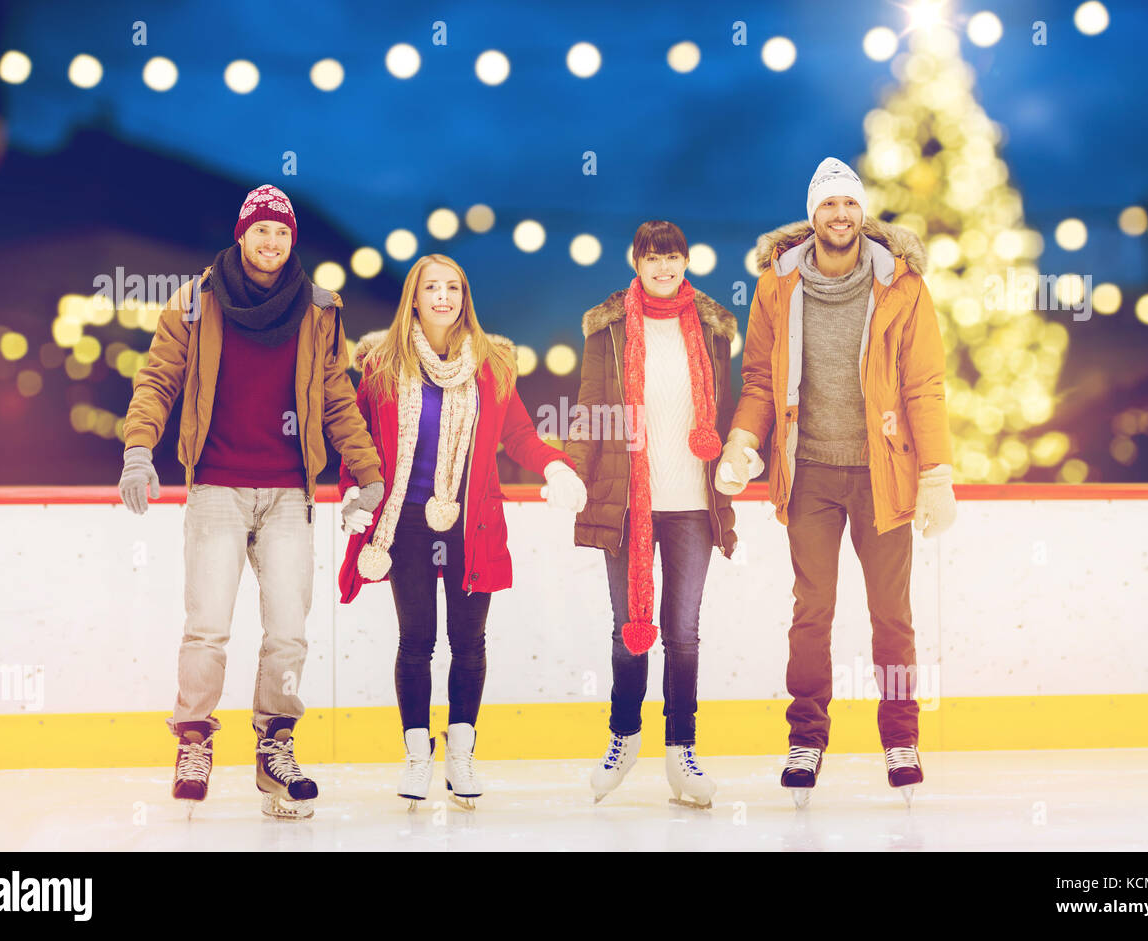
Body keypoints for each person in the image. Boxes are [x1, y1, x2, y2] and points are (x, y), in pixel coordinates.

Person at [119, 184, 386, 818]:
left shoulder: (319, 308)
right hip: (217, 485)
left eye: (283, 232)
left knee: (288, 632)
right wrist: (138, 447)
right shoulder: (195, 302)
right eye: (261, 230)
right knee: (208, 626)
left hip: (291, 490)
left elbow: (337, 396)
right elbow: (159, 378)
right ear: (242, 235)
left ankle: (276, 746)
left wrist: (367, 471)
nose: (272, 242)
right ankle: (194, 741)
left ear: (293, 240)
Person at [718, 158, 957, 807]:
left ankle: (901, 736)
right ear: (814, 215)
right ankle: (806, 738)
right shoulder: (778, 285)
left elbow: (923, 385)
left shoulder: (901, 286)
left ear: (862, 214)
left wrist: (935, 471)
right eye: (830, 206)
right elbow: (761, 381)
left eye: (850, 205)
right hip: (811, 473)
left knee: (892, 616)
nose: (841, 216)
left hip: (883, 472)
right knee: (812, 610)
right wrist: (743, 439)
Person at [336, 253, 586, 810]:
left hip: (472, 524)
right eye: (432, 288)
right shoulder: (382, 366)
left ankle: (462, 751)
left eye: (453, 287)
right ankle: (417, 754)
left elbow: (519, 433)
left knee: (469, 643)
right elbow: (357, 441)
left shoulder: (491, 365)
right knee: (416, 641)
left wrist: (554, 465)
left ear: (464, 297)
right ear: (415, 298)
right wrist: (352, 494)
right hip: (405, 526)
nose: (443, 297)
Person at [568, 221, 741, 809]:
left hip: (693, 504)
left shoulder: (715, 330)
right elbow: (591, 409)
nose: (663, 268)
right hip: (626, 503)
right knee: (628, 628)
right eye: (652, 258)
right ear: (636, 263)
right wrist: (571, 471)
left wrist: (743, 456)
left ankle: (682, 751)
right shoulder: (609, 330)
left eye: (672, 257)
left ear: (686, 261)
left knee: (683, 634)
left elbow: (733, 407)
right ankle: (623, 736)